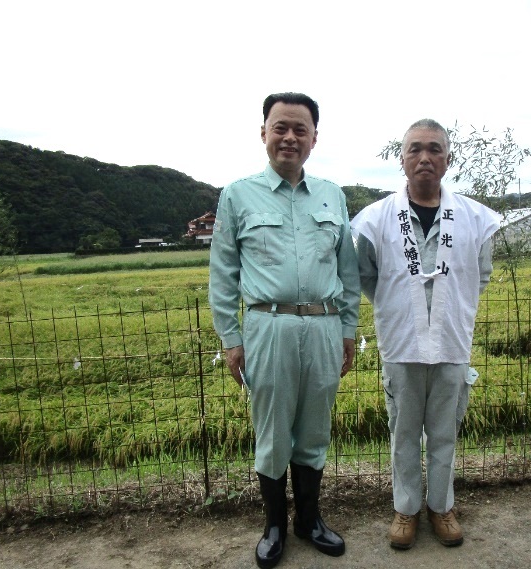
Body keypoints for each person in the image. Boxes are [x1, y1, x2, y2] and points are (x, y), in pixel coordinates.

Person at [208, 92, 360, 569]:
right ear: (263, 133)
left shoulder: (332, 195)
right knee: (273, 430)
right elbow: (222, 273)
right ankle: (274, 525)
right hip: (266, 326)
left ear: (315, 137)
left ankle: (309, 521)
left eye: (300, 129)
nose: (289, 137)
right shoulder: (237, 195)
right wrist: (232, 340)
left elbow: (348, 271)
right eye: (280, 127)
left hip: (323, 326)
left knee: (315, 427)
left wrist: (349, 330)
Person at [351, 119, 500, 550]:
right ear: (402, 159)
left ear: (448, 159)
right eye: (415, 149)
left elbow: (481, 274)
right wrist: (401, 304)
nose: (424, 157)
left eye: (434, 149)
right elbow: (366, 275)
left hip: (452, 342)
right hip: (401, 344)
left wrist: (449, 304)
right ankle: (405, 509)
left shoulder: (474, 218)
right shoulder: (376, 219)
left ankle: (442, 506)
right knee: (402, 433)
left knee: (444, 432)